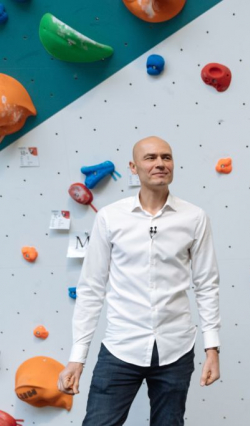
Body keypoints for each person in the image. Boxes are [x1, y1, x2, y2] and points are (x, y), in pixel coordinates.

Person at [57, 136, 221, 426]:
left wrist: (212, 349)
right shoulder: (110, 217)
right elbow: (91, 289)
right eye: (150, 157)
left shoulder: (194, 217)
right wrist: (77, 358)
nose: (160, 163)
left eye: (166, 157)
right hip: (121, 346)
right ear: (133, 167)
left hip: (176, 348)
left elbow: (207, 285)